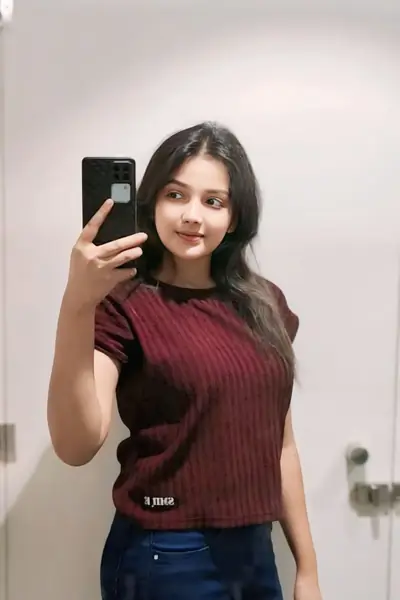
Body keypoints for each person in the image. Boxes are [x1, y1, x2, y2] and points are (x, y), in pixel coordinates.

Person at [47, 122, 322, 600]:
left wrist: (307, 569)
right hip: (165, 553)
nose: (193, 216)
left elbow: (281, 445)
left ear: (233, 218)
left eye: (213, 201)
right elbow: (76, 445)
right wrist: (78, 304)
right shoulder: (123, 301)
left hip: (255, 551)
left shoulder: (264, 304)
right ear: (152, 202)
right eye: (176, 195)